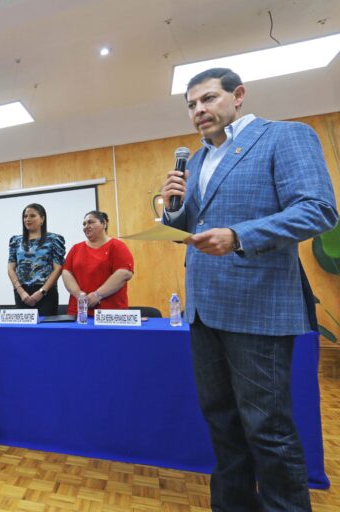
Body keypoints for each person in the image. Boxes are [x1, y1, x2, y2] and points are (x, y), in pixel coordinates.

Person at [161, 67, 338, 511]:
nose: (198, 111)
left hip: (257, 307)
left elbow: (318, 210)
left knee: (267, 430)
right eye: (191, 105)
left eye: (207, 99)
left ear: (237, 96)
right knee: (222, 424)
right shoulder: (196, 161)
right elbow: (192, 228)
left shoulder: (284, 137)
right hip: (203, 311)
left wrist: (239, 235)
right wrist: (172, 209)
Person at [61, 210, 133, 316]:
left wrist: (97, 295)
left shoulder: (117, 246)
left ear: (104, 223)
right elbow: (66, 273)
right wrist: (80, 296)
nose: (86, 226)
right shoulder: (76, 248)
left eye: (91, 222)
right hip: (79, 313)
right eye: (84, 224)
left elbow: (124, 273)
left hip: (110, 313)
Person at [7, 203, 65, 316]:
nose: (28, 219)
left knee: (46, 331)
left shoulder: (54, 239)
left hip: (46, 293)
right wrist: (20, 291)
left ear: (42, 218)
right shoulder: (16, 240)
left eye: (32, 216)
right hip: (22, 293)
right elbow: (10, 268)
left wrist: (41, 292)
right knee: (23, 331)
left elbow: (58, 269)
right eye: (25, 216)